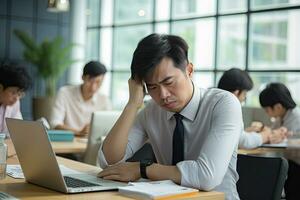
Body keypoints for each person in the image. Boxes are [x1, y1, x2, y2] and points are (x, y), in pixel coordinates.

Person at [98, 34, 242, 200]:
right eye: (152, 87)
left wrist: (142, 169)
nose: (163, 95)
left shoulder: (223, 104)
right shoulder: (151, 111)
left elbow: (206, 176)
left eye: (168, 82)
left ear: (189, 70)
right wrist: (132, 104)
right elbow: (110, 162)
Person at [218, 68, 287, 149]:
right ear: (236, 93)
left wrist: (247, 132)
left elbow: (233, 136)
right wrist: (266, 135)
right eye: (244, 94)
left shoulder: (215, 102)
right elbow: (244, 142)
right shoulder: (229, 107)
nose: (244, 98)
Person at [50, 61, 111, 137]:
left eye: (98, 82)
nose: (93, 87)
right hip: (68, 142)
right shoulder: (64, 93)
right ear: (82, 77)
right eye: (90, 81)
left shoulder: (104, 100)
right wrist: (79, 132)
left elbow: (110, 128)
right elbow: (54, 123)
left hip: (93, 145)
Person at [0, 63, 31, 136]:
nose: (16, 98)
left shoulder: (15, 103)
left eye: (19, 94)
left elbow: (18, 130)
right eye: (13, 92)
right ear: (0, 88)